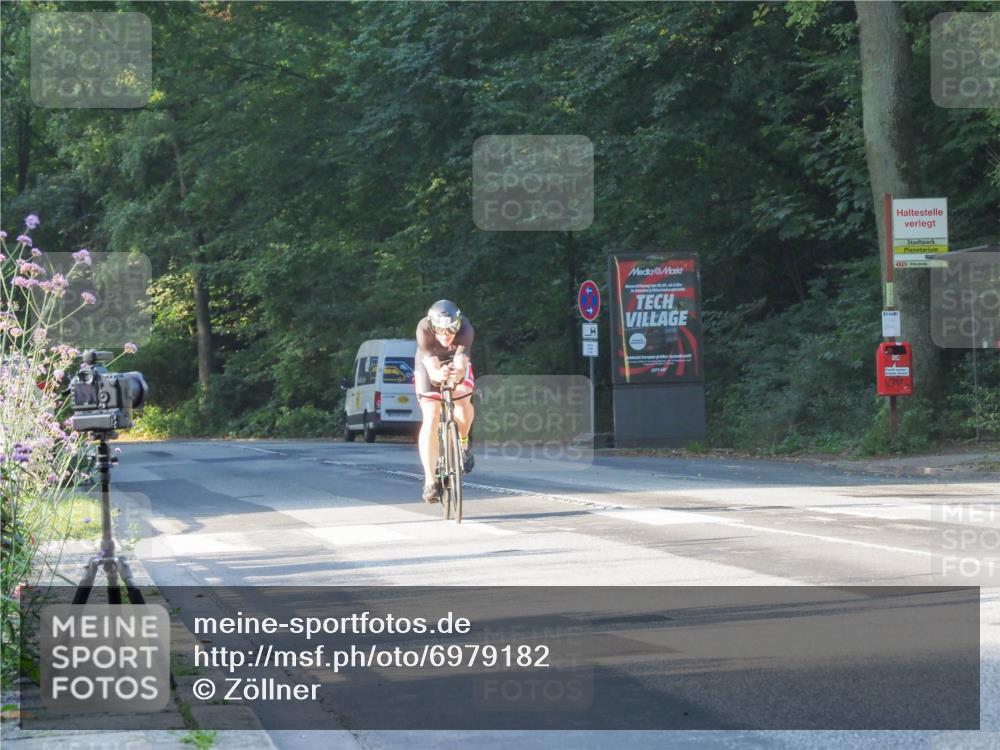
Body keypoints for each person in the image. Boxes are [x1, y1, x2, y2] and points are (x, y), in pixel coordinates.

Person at [415, 300, 475, 503]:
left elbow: (461, 364)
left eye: (450, 330)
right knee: (431, 416)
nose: (445, 335)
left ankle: (464, 442)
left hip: (455, 361)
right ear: (433, 327)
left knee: (463, 399)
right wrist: (439, 375)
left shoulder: (466, 328)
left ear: (457, 325)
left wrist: (456, 374)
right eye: (440, 331)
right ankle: (430, 482)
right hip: (428, 365)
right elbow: (432, 371)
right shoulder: (423, 328)